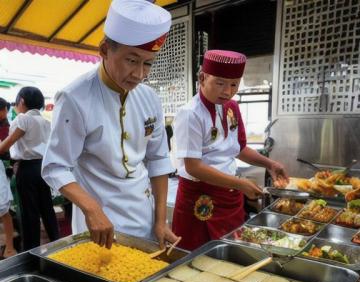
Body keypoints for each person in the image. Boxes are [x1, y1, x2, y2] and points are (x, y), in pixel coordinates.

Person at [42, 0, 179, 250]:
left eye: (148, 63)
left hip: (144, 219)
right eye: (131, 60)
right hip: (99, 226)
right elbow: (55, 166)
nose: (139, 74)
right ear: (104, 49)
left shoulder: (149, 98)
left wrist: (161, 221)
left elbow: (158, 160)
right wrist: (92, 208)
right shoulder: (75, 97)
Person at [172, 49, 288, 250]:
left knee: (232, 253)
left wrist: (270, 163)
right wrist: (240, 183)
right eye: (220, 83)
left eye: (234, 84)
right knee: (198, 255)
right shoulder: (190, 114)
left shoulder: (231, 107)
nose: (227, 91)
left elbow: (238, 149)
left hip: (229, 197)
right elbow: (193, 167)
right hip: (199, 197)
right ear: (202, 78)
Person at [0, 87, 59, 251]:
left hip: (27, 169)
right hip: (43, 167)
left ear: (22, 101)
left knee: (29, 213)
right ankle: (58, 244)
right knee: (47, 209)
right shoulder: (46, 122)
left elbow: (6, 146)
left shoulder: (22, 119)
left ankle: (31, 252)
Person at [0, 98, 17, 258]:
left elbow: (5, 149)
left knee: (4, 211)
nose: (6, 112)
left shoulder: (7, 124)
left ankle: (10, 247)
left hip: (2, 169)